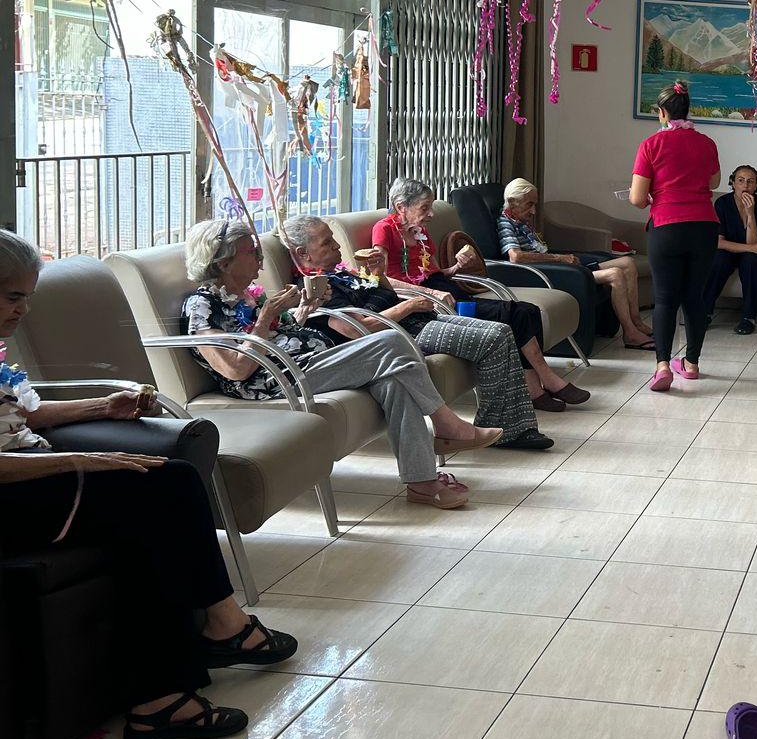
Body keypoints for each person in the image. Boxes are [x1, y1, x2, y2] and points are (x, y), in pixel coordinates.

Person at [0, 230, 300, 739]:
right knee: (164, 490)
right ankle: (221, 631)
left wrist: (103, 406)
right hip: (13, 494)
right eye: (12, 296)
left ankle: (163, 692)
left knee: (158, 502)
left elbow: (26, 413)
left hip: (37, 472)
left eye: (27, 296)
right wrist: (77, 461)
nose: (23, 310)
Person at [181, 219, 498, 509]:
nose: (260, 261)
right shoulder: (202, 307)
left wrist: (304, 309)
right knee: (390, 342)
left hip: (308, 361)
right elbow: (236, 369)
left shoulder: (249, 295)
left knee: (392, 380)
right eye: (251, 253)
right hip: (279, 378)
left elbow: (283, 332)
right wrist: (266, 317)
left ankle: (422, 483)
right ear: (223, 262)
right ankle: (446, 424)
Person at [281, 214, 552, 451]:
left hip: (417, 321)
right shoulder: (316, 289)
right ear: (303, 253)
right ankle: (505, 430)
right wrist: (408, 306)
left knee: (503, 330)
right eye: (327, 243)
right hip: (401, 333)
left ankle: (507, 426)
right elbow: (356, 329)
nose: (337, 246)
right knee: (492, 337)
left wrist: (379, 275)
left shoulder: (342, 273)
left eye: (333, 239)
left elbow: (383, 296)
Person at [372, 178, 590, 413]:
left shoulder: (420, 231)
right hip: (430, 302)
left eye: (431, 207)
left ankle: (535, 387)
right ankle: (545, 381)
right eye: (425, 208)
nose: (431, 214)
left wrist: (458, 266)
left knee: (529, 310)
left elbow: (436, 273)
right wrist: (431, 292)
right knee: (517, 314)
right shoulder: (384, 229)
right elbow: (381, 279)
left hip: (447, 291)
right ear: (401, 207)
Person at [629, 80, 720, 391]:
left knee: (665, 299)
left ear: (662, 112)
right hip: (704, 226)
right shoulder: (707, 143)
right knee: (694, 297)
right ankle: (691, 364)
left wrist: (653, 196)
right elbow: (714, 181)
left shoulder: (650, 145)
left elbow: (637, 198)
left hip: (667, 226)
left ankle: (663, 366)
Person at [498, 178, 653, 349]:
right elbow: (515, 256)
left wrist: (562, 258)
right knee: (615, 274)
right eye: (529, 204)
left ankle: (637, 322)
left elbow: (539, 250)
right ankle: (630, 333)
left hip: (558, 267)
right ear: (512, 202)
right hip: (548, 273)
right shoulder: (506, 224)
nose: (533, 211)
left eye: (534, 204)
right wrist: (559, 258)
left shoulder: (522, 222)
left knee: (628, 263)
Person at [703, 165, 757, 335]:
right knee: (718, 260)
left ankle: (748, 318)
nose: (745, 185)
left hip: (751, 253)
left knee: (752, 261)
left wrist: (750, 214)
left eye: (750, 181)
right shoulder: (722, 203)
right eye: (741, 181)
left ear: (756, 185)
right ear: (733, 183)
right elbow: (719, 242)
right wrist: (751, 248)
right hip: (727, 249)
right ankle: (705, 312)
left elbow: (754, 242)